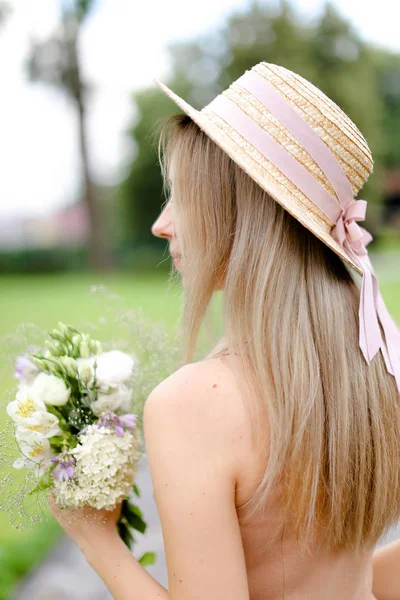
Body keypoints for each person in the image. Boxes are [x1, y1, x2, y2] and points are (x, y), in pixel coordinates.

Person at [50, 62, 400, 599]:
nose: (161, 223)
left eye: (184, 196)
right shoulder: (376, 358)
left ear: (239, 215)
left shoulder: (193, 402)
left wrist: (94, 537)